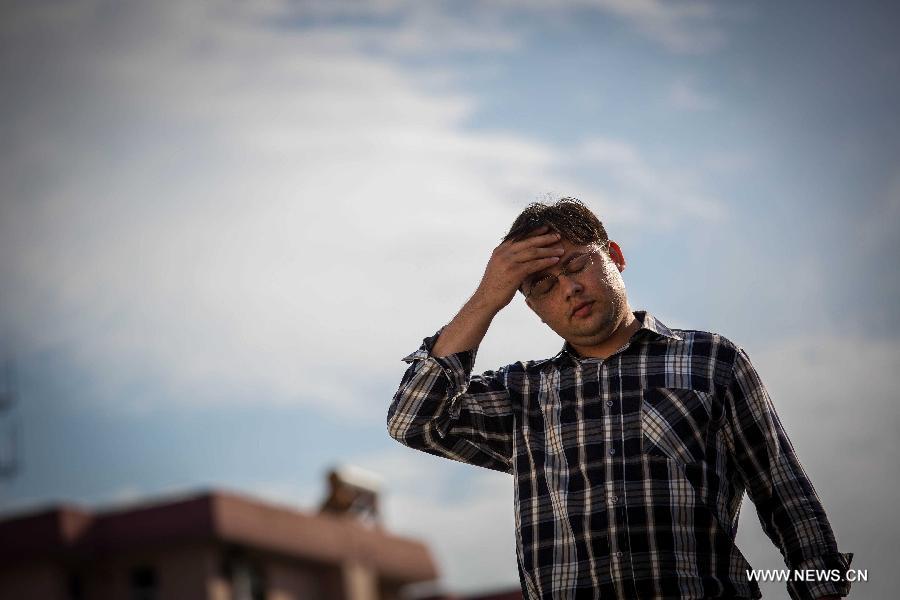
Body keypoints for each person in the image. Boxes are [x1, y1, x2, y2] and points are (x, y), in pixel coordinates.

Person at [387, 198, 853, 600]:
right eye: (544, 286)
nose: (568, 288)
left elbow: (787, 496)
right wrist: (488, 296)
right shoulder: (522, 394)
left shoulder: (711, 361)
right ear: (530, 306)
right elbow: (412, 420)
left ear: (614, 256)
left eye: (575, 266)